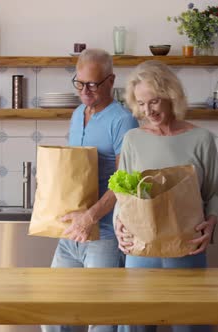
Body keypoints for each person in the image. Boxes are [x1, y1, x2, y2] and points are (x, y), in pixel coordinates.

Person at [114, 60, 218, 332]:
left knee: (189, 325)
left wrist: (211, 224)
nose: (147, 110)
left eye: (153, 101)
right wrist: (119, 225)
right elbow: (123, 194)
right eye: (141, 104)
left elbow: (215, 194)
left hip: (187, 247)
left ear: (171, 96)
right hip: (141, 249)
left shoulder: (202, 138)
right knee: (136, 326)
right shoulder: (132, 139)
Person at [41, 49, 139, 332]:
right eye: (79, 83)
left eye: (92, 85)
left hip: (105, 236)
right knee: (54, 317)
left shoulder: (123, 120)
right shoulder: (77, 114)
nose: (84, 91)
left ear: (111, 81)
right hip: (70, 233)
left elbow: (125, 180)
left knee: (101, 321)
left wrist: (91, 217)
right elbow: (75, 169)